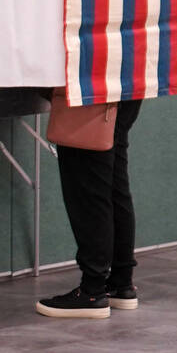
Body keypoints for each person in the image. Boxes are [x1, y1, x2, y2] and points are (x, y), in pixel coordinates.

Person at [38, 98, 143, 320]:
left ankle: (93, 290)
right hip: (127, 82)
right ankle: (121, 283)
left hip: (91, 86)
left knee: (89, 189)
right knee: (116, 184)